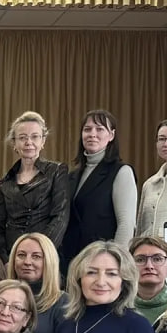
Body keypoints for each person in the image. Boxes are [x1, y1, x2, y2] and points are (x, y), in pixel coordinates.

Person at [59, 110, 137, 268]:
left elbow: (126, 224)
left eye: (100, 129)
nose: (92, 134)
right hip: (71, 262)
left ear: (111, 135)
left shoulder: (121, 172)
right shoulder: (71, 176)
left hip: (103, 263)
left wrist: (116, 263)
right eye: (87, 129)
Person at [0, 111, 69, 257]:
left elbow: (60, 218)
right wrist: (5, 260)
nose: (29, 142)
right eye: (22, 137)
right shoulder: (5, 182)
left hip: (45, 254)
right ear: (14, 143)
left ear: (43, 141)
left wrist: (41, 253)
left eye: (35, 137)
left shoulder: (56, 171)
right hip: (14, 256)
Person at [8, 233, 67, 333]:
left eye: (36, 256)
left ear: (49, 261)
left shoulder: (64, 303)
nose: (27, 262)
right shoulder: (0, 298)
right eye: (21, 255)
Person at [131, 235, 167, 324]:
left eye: (157, 259)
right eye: (140, 260)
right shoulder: (118, 308)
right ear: (129, 267)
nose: (149, 266)